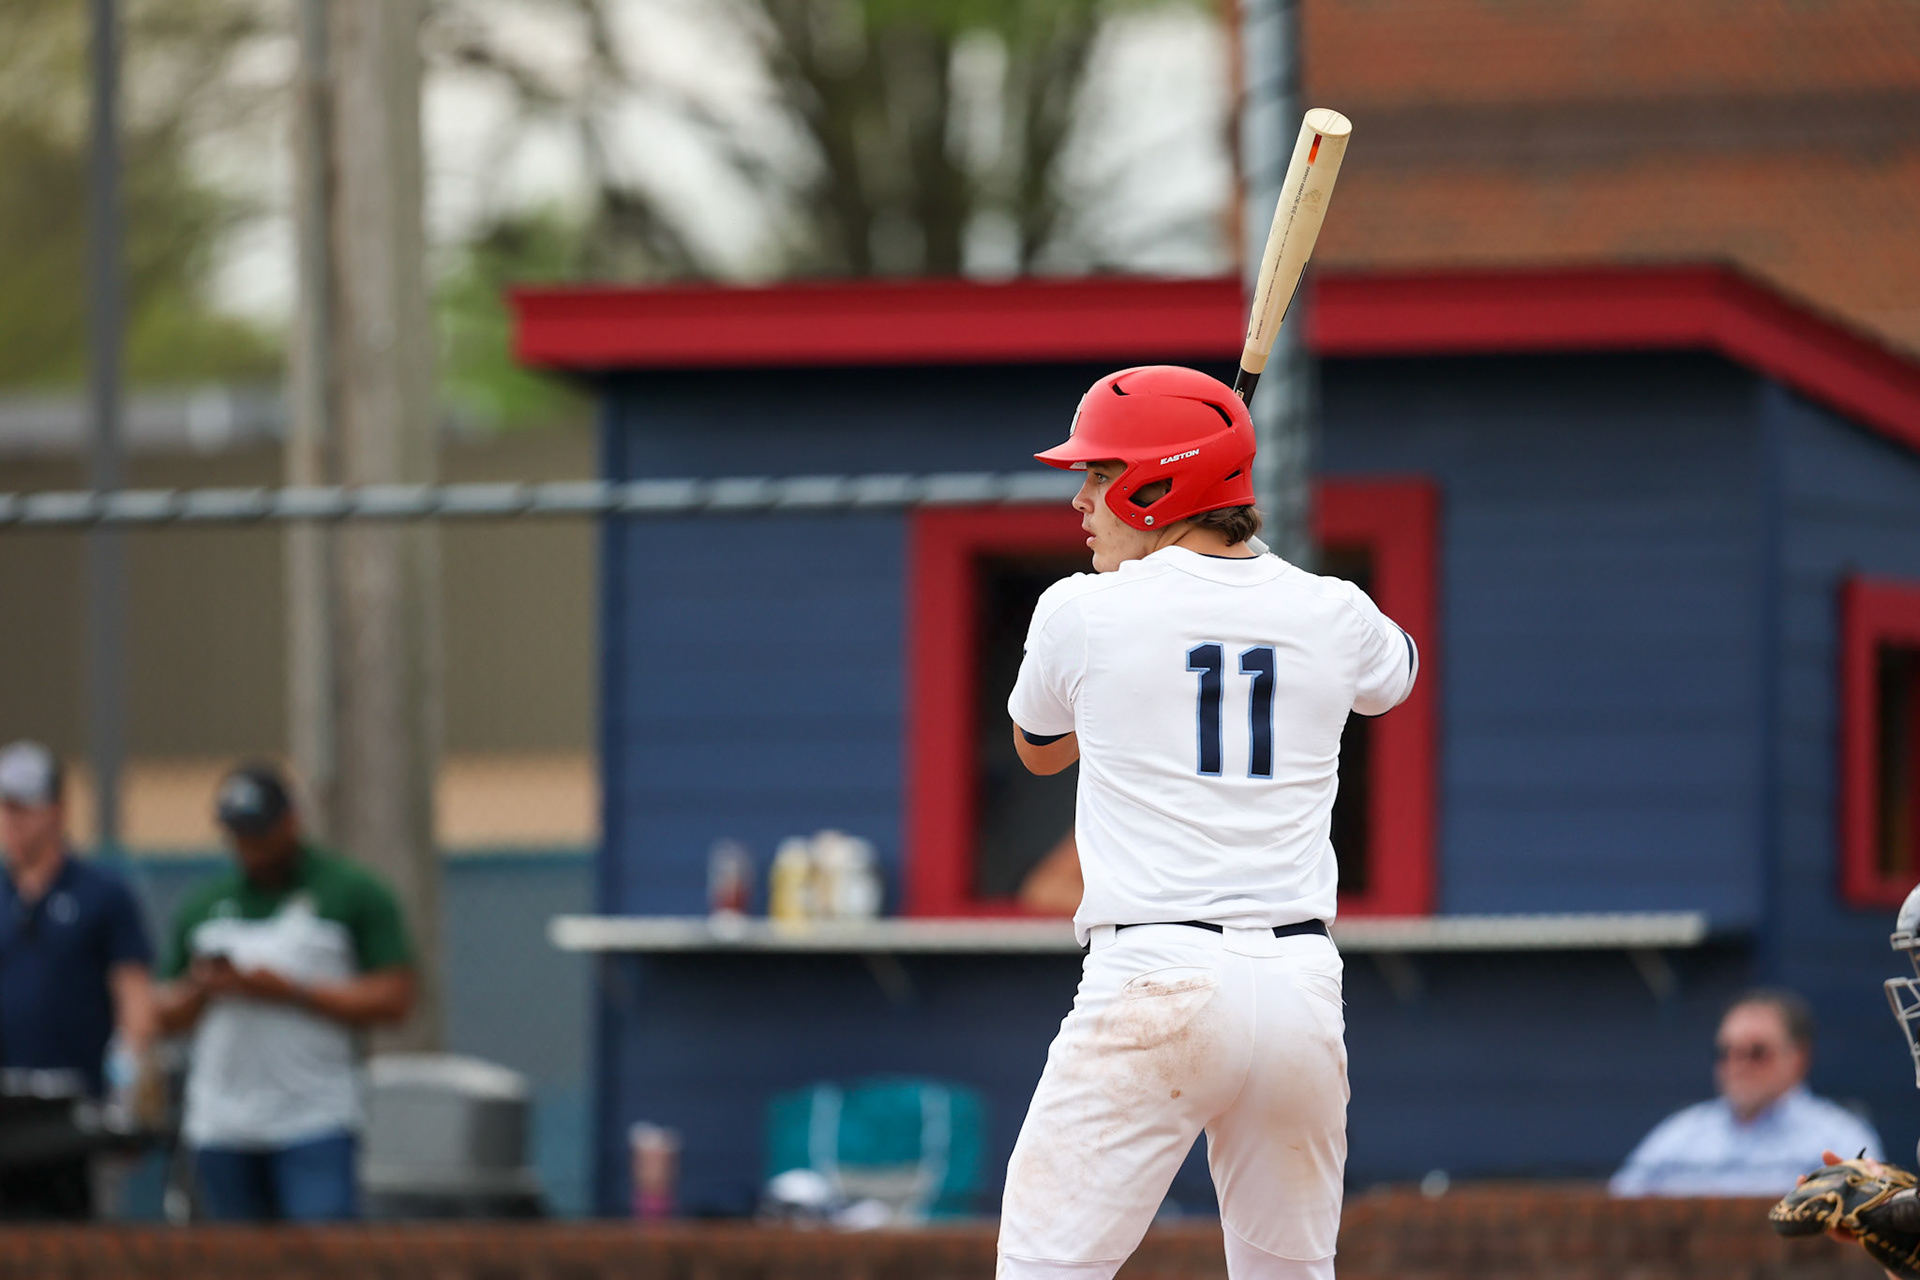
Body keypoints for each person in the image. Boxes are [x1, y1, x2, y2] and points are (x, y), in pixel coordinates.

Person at [998, 366, 1418, 1280]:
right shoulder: (1334, 609)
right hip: (1300, 992)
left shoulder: (1081, 608)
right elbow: (1399, 674)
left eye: (1101, 475)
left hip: (1154, 977)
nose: (1081, 500)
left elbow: (1038, 746)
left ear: (1161, 484)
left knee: (1042, 1272)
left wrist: (1126, 710)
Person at [154, 763, 416, 1222]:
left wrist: (290, 991)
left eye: (258, 833)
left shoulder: (348, 892)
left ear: (291, 823)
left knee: (318, 1255)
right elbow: (163, 1011)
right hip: (223, 1121)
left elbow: (395, 997)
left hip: (312, 1116)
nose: (248, 848)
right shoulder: (205, 905)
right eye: (237, 835)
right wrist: (205, 988)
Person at [0, 740, 157, 1219]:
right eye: (5, 808)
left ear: (57, 811)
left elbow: (135, 1001)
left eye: (25, 808)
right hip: (6, 1103)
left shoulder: (101, 895)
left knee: (78, 1236)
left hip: (75, 1105)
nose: (13, 821)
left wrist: (125, 1091)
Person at [1609, 989, 1880, 1197]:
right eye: (1726, 1052)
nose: (1737, 1065)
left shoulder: (1840, 1138)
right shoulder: (1681, 1133)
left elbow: (1872, 1224)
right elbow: (1616, 1208)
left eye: (1756, 1052)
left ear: (1797, 1057)